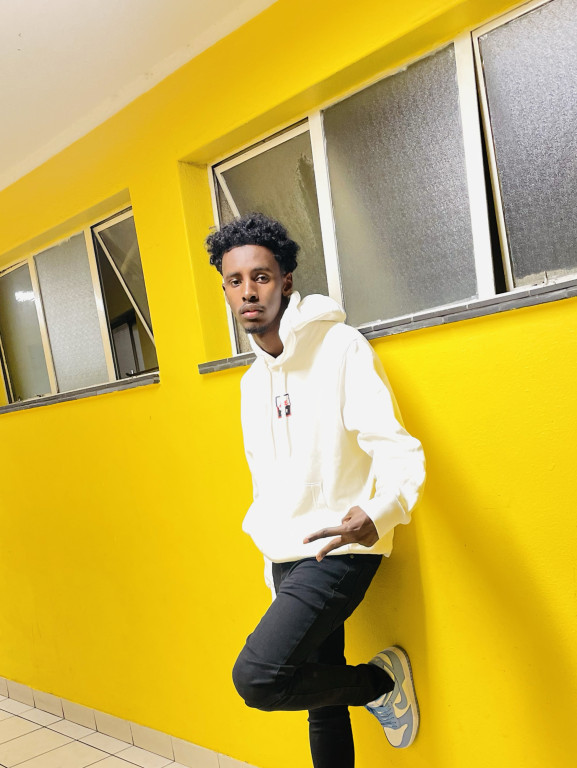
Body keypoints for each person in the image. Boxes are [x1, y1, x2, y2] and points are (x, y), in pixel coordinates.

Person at [205, 213, 426, 768]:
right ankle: (372, 689)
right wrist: (272, 571)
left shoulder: (340, 348)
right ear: (225, 291)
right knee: (318, 700)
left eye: (261, 276)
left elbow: (398, 447)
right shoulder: (251, 384)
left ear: (285, 282)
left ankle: (378, 684)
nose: (248, 291)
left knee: (259, 678)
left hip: (342, 546)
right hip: (287, 555)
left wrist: (381, 511)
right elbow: (266, 487)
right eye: (235, 281)